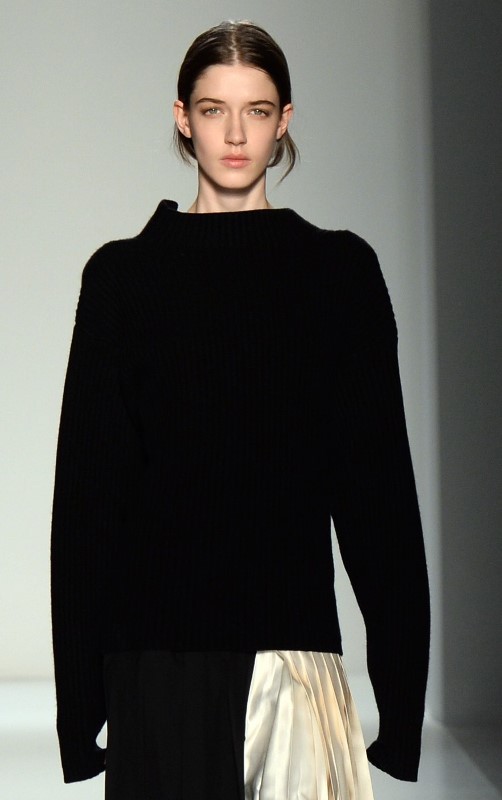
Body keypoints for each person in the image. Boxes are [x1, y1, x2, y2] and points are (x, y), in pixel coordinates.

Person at [50, 19, 430, 800]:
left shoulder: (339, 275)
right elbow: (89, 500)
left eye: (255, 111)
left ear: (284, 121)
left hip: (292, 661)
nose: (234, 134)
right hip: (156, 669)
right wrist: (80, 707)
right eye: (213, 109)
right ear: (183, 118)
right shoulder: (123, 281)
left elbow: (378, 495)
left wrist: (402, 700)